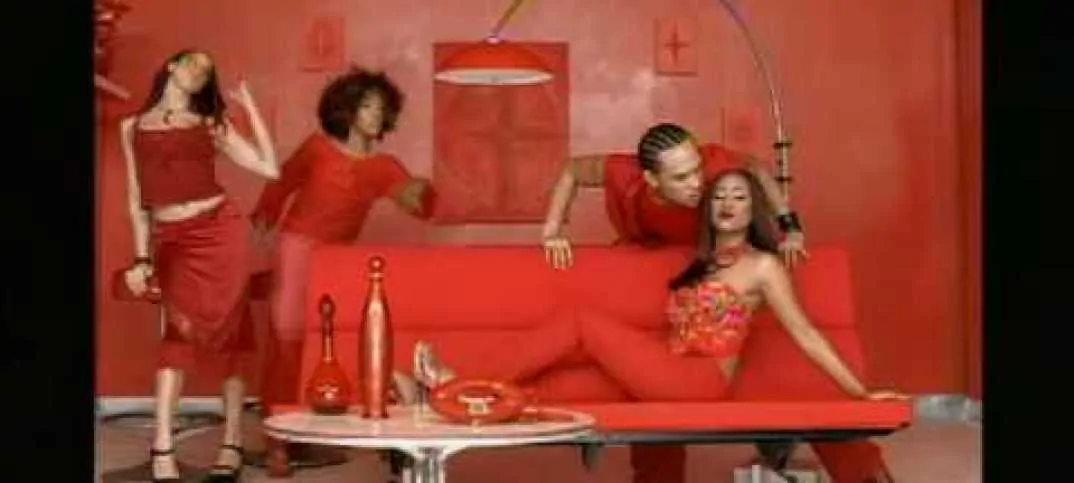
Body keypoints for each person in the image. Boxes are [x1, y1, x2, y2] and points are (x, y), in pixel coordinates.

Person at [405, 168, 905, 483]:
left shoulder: (763, 267)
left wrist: (860, 394)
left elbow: (806, 333)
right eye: (719, 197)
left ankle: (454, 379)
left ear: (753, 209)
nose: (728, 204)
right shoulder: (699, 263)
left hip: (698, 382)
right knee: (563, 384)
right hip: (664, 371)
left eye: (739, 197)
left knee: (580, 323)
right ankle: (443, 398)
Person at [248, 66, 437, 474]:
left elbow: (419, 205)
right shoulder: (317, 148)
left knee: (325, 345)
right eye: (366, 106)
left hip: (338, 261)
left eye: (381, 108)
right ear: (346, 110)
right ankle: (277, 444)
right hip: (297, 249)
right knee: (287, 342)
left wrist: (430, 190)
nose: (375, 114)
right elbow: (280, 185)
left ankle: (306, 437)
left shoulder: (384, 166)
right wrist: (258, 227)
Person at [119, 49, 278, 483]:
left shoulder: (210, 124)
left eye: (207, 71)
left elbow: (269, 167)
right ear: (171, 66)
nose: (198, 72)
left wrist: (251, 108)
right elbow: (136, 200)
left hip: (221, 232)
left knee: (233, 335)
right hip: (172, 238)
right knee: (176, 335)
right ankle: (162, 447)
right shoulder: (132, 127)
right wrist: (141, 258)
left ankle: (232, 442)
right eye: (192, 63)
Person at [540, 122, 806, 270]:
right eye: (681, 178)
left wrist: (791, 231)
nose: (696, 183)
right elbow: (571, 170)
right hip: (642, 254)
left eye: (697, 169)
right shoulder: (624, 173)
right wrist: (552, 232)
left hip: (702, 255)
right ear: (652, 179)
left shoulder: (715, 163)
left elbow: (757, 169)